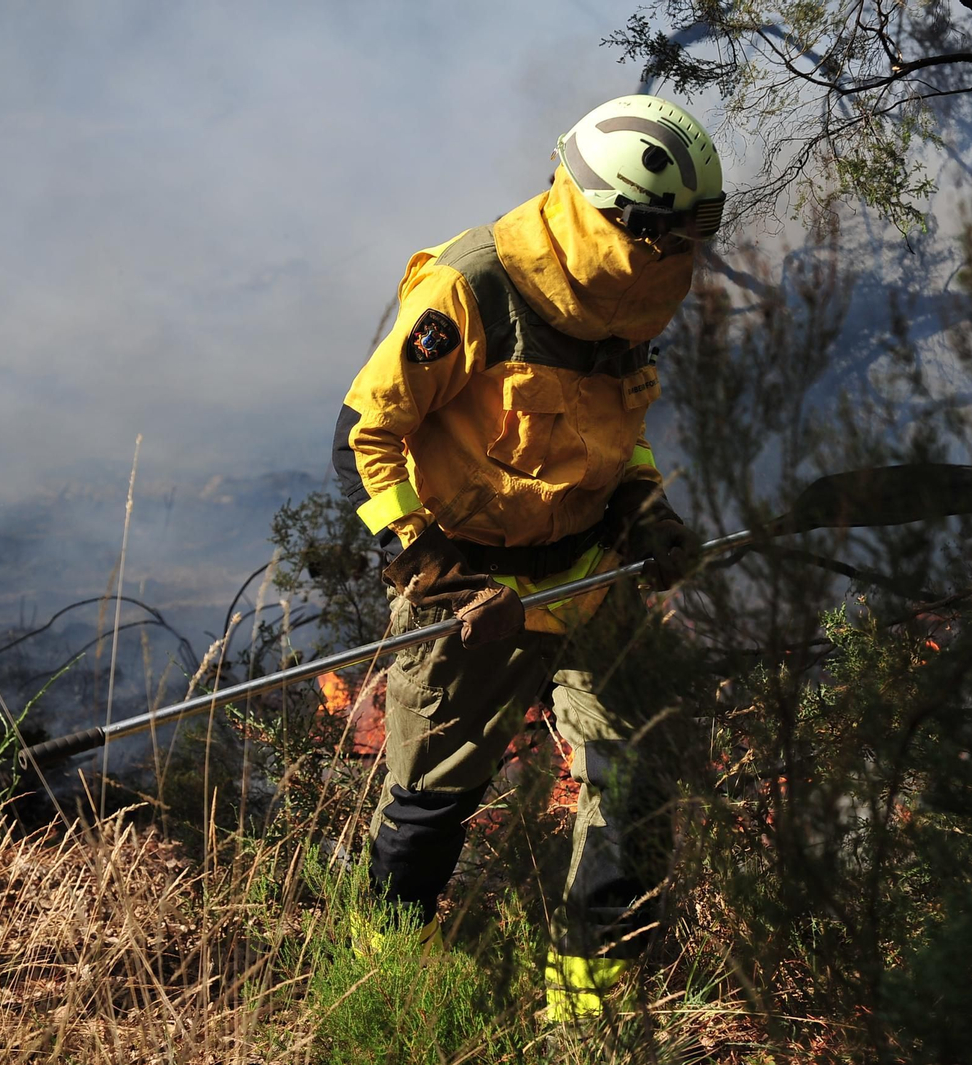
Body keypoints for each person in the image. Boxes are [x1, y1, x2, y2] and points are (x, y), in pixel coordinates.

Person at [332, 94, 724, 1023]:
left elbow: (610, 431)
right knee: (435, 794)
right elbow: (367, 429)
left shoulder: (624, 302)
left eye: (691, 234)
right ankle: (388, 976)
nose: (677, 254)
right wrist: (428, 566)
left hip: (590, 577)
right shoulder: (476, 286)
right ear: (609, 214)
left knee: (636, 765)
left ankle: (588, 1000)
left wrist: (644, 506)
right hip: (471, 584)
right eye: (662, 234)